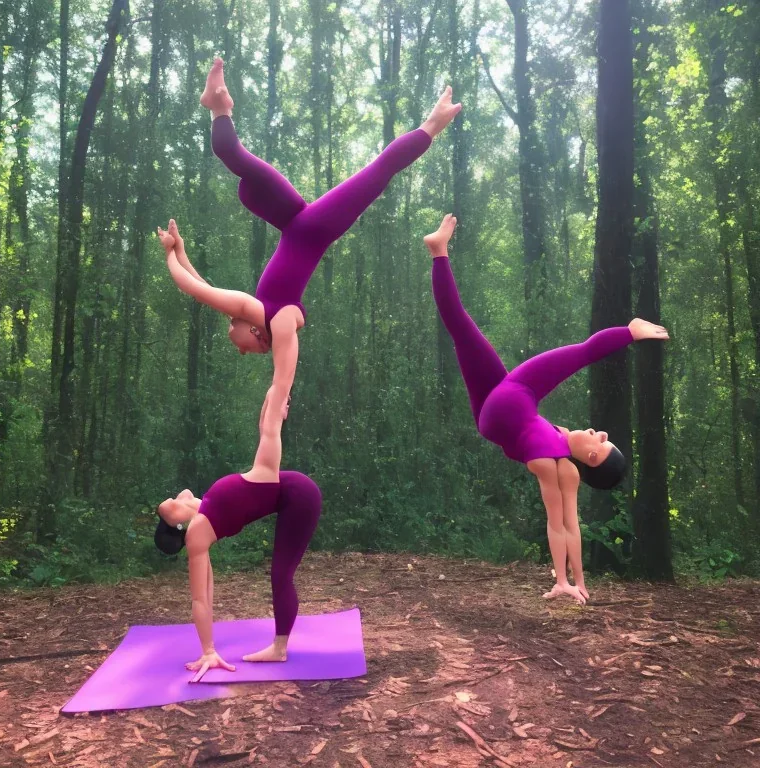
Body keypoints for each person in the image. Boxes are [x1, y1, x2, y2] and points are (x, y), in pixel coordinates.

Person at [159, 57, 462, 412]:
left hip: (291, 220)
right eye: (245, 348)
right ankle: (432, 125)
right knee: (380, 170)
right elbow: (198, 293)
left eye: (236, 345)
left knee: (232, 156)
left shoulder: (258, 311)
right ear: (259, 336)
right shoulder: (280, 318)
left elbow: (202, 287)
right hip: (315, 227)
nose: (240, 349)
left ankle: (219, 107)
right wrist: (279, 396)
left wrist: (178, 250)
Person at [424, 214, 670, 605]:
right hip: (500, 408)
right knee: (460, 328)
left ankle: (629, 331)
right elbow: (571, 527)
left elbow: (555, 525)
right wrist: (577, 580)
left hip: (515, 398)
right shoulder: (566, 466)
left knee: (578, 353)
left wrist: (561, 582)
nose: (599, 432)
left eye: (600, 441)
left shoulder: (550, 458)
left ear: (591, 456)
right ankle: (439, 252)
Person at [154, 386, 321, 680]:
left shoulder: (202, 509)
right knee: (280, 575)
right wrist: (208, 650)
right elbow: (201, 599)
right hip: (294, 496)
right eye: (178, 513)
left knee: (281, 575)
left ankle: (279, 647)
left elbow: (183, 495)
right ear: (177, 526)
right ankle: (279, 648)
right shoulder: (196, 535)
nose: (180, 498)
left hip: (293, 492)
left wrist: (275, 397)